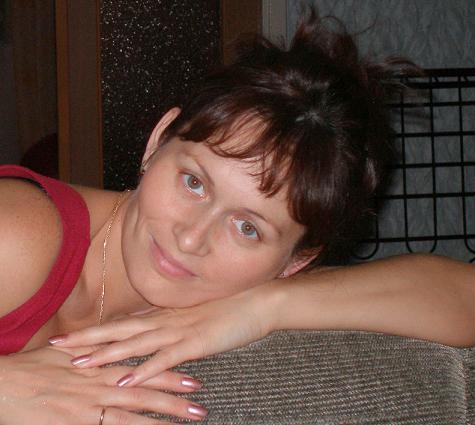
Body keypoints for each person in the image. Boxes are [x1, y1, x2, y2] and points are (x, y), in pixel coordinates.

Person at [1, 8, 474, 425]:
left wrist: (266, 308)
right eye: (194, 182)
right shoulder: (20, 235)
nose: (191, 238)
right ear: (158, 140)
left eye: (248, 228)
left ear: (294, 261)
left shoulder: (242, 286)